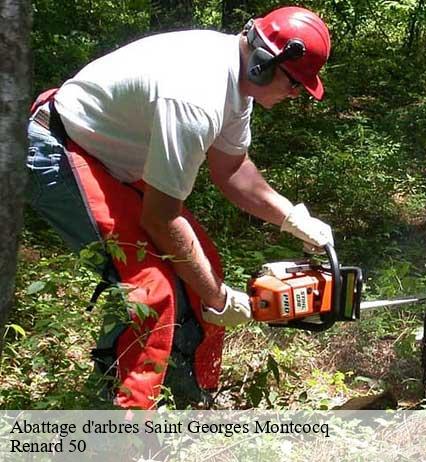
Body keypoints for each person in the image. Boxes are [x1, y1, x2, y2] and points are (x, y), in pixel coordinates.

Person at [25, 6, 334, 409]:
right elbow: (161, 217)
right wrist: (219, 299)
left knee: (204, 266)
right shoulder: (196, 96)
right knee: (150, 291)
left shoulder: (237, 85)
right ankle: (122, 432)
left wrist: (290, 217)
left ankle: (191, 396)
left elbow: (232, 169)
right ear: (263, 64)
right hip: (60, 147)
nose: (296, 96)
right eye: (295, 85)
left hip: (112, 155)